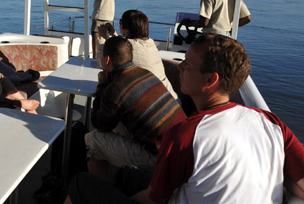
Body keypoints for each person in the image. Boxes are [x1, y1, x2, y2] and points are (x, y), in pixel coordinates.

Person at [66, 34, 304, 204]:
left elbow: (152, 199)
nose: (179, 68)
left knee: (80, 184)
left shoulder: (186, 135)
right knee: (127, 176)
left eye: (187, 65)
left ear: (210, 80)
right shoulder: (271, 122)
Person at [85, 36, 185, 180]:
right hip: (179, 151)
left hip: (162, 160)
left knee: (92, 140)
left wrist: (101, 86)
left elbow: (98, 123)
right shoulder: (145, 73)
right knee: (115, 122)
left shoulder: (116, 89)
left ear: (106, 60)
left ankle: (101, 192)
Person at [99, 10, 177, 99]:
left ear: (126, 29)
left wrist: (102, 38)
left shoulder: (129, 48)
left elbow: (104, 62)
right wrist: (114, 35)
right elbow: (126, 46)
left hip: (149, 99)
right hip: (167, 96)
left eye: (121, 23)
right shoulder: (150, 44)